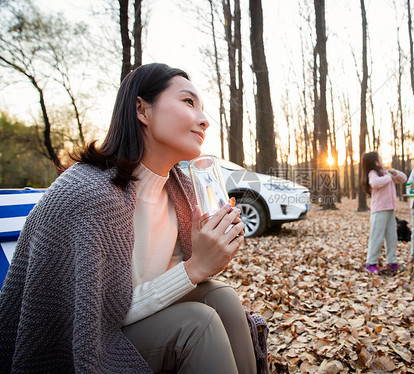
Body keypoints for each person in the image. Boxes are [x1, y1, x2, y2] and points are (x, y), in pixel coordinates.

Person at [0, 63, 257, 373]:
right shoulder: (87, 195)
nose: (204, 120)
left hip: (137, 323)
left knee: (222, 297)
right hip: (85, 344)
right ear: (142, 110)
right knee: (196, 325)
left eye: (203, 109)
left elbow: (166, 285)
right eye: (189, 102)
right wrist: (195, 267)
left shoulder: (181, 190)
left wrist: (210, 251)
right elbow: (89, 320)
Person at [361, 151, 407, 274]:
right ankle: (371, 263)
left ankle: (392, 262)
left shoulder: (387, 173)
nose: (381, 160)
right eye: (379, 158)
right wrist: (388, 177)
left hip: (390, 209)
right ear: (375, 161)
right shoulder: (373, 173)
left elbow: (403, 179)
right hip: (379, 210)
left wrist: (395, 172)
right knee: (377, 237)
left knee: (392, 237)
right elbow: (375, 183)